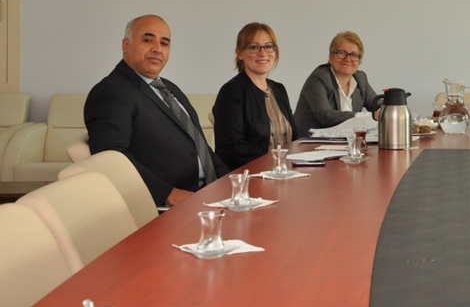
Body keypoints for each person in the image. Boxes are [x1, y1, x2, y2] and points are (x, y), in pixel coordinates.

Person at [84, 15, 229, 206]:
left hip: (208, 195)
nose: (157, 49)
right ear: (125, 45)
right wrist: (169, 194)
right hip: (167, 207)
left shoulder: (168, 88)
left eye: (164, 43)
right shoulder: (111, 91)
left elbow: (199, 145)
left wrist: (230, 182)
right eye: (147, 40)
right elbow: (110, 157)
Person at [213, 23, 295, 171]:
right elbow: (232, 148)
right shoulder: (231, 91)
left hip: (284, 172)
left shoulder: (279, 90)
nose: (263, 53)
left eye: (268, 46)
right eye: (254, 47)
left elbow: (294, 137)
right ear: (239, 53)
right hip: (250, 175)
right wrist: (276, 162)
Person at [293, 31, 379, 138]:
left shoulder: (360, 79)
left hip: (344, 142)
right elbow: (325, 116)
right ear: (330, 57)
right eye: (342, 53)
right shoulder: (319, 78)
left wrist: (386, 111)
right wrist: (369, 116)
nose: (348, 59)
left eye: (354, 55)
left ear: (359, 61)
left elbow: (379, 104)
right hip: (308, 142)